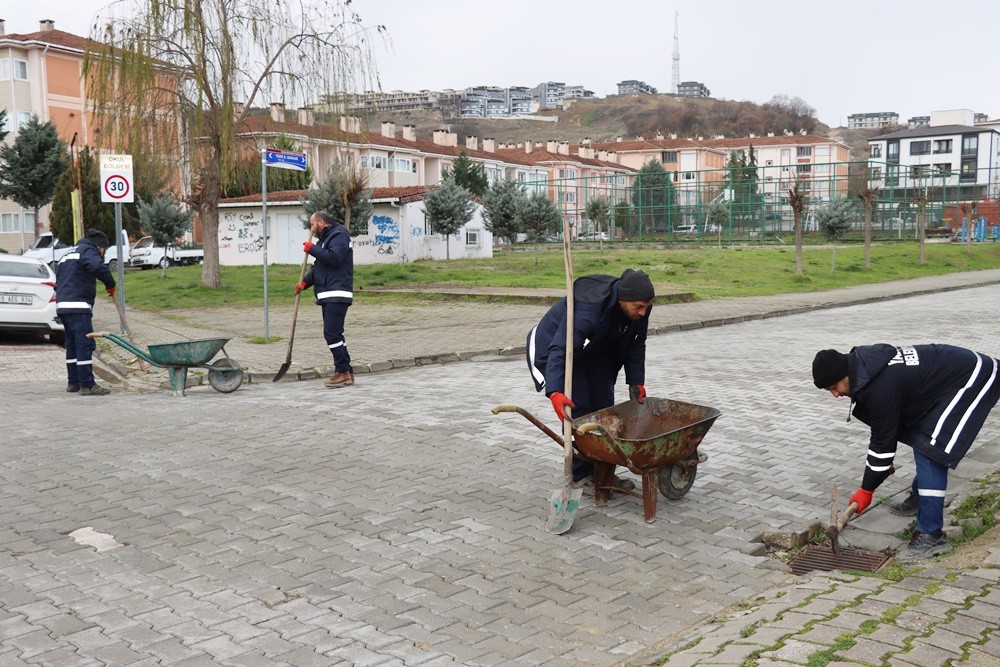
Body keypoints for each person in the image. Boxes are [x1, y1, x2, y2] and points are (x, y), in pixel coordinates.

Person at [812, 344, 1000, 561]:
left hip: (973, 377)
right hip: (955, 373)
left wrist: (867, 489)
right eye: (829, 391)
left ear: (846, 374)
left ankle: (931, 534)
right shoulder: (865, 367)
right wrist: (879, 471)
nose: (835, 395)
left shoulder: (879, 386)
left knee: (931, 448)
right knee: (924, 441)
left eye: (834, 386)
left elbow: (882, 442)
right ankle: (921, 497)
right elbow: (889, 429)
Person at [526, 268, 655, 490]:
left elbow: (636, 344)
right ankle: (581, 475)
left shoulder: (639, 306)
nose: (643, 312)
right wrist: (555, 391)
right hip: (556, 348)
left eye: (647, 306)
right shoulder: (589, 309)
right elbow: (560, 348)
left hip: (595, 351)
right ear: (622, 300)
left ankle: (603, 474)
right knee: (581, 411)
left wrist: (636, 380)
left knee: (605, 412)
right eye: (639, 307)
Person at [295, 210, 355, 388]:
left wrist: (312, 249)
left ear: (321, 223)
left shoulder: (339, 235)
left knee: (331, 333)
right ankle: (347, 371)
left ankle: (342, 372)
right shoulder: (324, 241)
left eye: (312, 224)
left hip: (337, 293)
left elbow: (334, 259)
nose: (311, 228)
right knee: (336, 334)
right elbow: (319, 268)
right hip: (328, 294)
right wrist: (305, 282)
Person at [55, 228, 116, 396]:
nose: (103, 253)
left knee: (72, 344)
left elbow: (59, 279)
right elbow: (97, 266)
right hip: (78, 305)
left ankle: (73, 382)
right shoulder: (87, 250)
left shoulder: (67, 254)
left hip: (62, 306)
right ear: (98, 246)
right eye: (103, 249)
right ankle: (87, 385)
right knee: (84, 343)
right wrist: (110, 284)